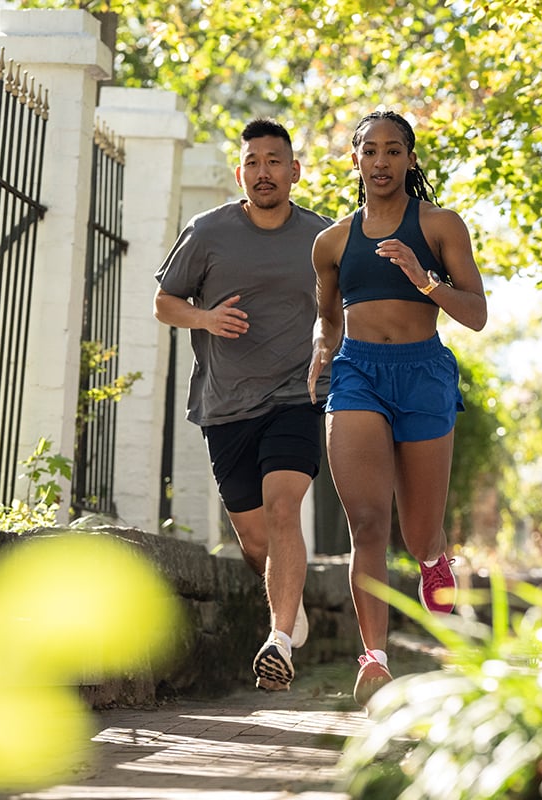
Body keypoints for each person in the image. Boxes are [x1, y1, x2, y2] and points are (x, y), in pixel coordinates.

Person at [307, 110, 488, 707]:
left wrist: (423, 278)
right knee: (366, 523)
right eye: (370, 151)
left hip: (424, 374)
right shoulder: (332, 241)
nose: (381, 162)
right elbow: (329, 316)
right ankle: (375, 659)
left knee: (416, 533)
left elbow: (476, 314)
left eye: (393, 151)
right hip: (357, 372)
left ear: (411, 160)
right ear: (355, 161)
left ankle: (435, 558)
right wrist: (320, 352)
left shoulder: (440, 226)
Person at [154, 118, 331, 692]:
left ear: (294, 171)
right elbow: (164, 303)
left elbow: (348, 310)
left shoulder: (323, 238)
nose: (264, 172)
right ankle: (290, 602)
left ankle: (278, 640)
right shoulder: (208, 231)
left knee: (284, 511)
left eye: (275, 161)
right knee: (257, 543)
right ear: (240, 173)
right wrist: (205, 317)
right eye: (253, 162)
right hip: (226, 405)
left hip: (296, 396)